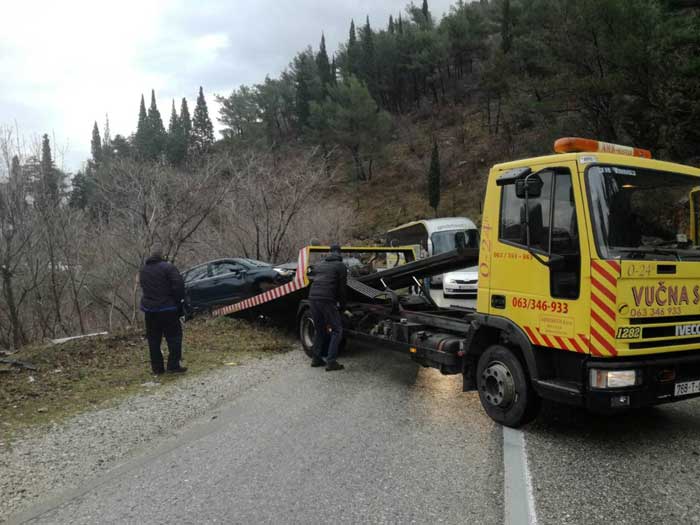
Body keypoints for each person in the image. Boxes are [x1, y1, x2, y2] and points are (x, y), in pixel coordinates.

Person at [139, 244, 187, 375]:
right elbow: (179, 286)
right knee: (174, 337)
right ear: (162, 255)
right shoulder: (168, 268)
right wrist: (178, 303)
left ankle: (157, 368)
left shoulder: (143, 271)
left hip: (150, 310)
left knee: (153, 340)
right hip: (168, 309)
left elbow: (144, 288)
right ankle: (173, 366)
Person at [308, 243, 347, 371]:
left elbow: (314, 279)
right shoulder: (340, 266)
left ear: (330, 252)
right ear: (339, 253)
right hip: (327, 299)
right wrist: (343, 305)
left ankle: (316, 359)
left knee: (320, 330)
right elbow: (342, 289)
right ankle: (331, 362)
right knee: (337, 330)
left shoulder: (320, 264)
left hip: (313, 298)